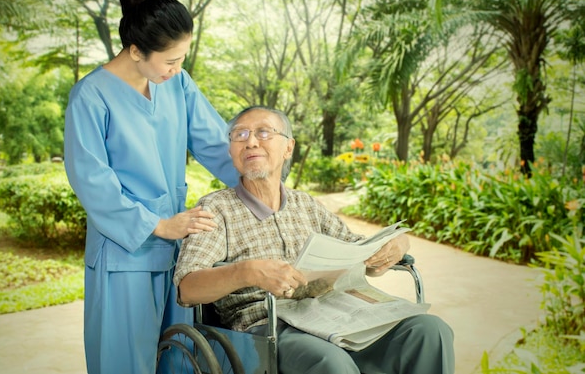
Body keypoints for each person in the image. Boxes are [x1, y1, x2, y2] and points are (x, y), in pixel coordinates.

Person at [174, 106, 455, 374]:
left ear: (288, 147)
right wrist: (247, 271)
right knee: (330, 362)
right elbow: (187, 288)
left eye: (263, 132)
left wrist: (399, 242)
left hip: (335, 314)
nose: (250, 143)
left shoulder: (307, 205)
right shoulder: (215, 209)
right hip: (269, 327)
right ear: (232, 150)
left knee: (429, 330)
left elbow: (361, 252)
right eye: (240, 135)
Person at [63, 0, 239, 374]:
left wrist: (261, 183)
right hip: (125, 253)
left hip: (178, 251)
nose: (178, 69)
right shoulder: (90, 97)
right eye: (171, 60)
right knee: (125, 364)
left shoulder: (176, 84)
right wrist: (159, 225)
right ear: (136, 50)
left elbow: (215, 142)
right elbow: (92, 181)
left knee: (181, 358)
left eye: (183, 59)